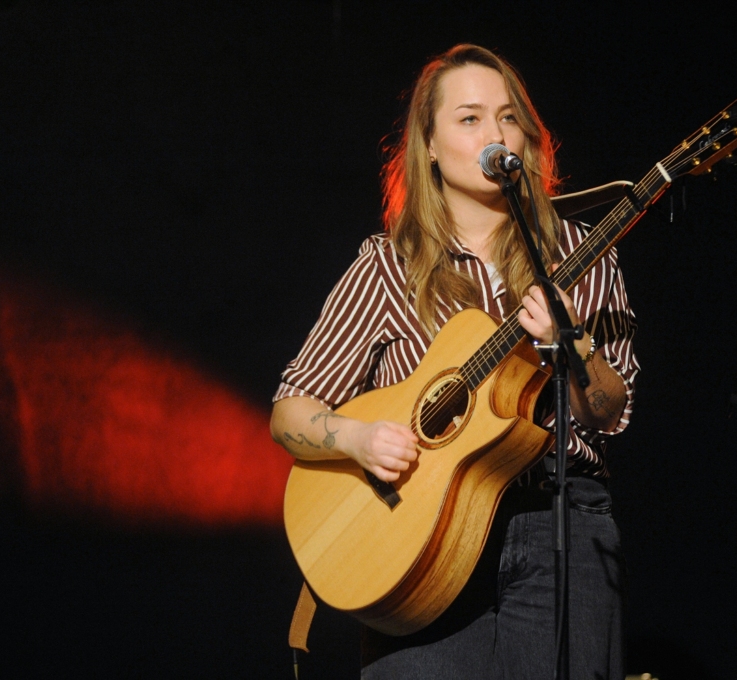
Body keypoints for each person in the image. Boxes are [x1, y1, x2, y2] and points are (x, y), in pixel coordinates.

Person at [271, 44, 639, 679]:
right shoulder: (388, 265)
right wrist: (357, 438)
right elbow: (290, 412)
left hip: (559, 526)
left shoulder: (586, 257)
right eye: (469, 119)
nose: (495, 133)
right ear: (430, 147)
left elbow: (611, 413)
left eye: (508, 118)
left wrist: (570, 340)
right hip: (421, 541)